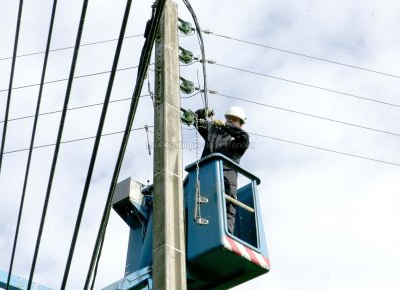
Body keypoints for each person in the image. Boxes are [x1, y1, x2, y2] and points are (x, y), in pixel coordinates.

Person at [195, 106, 250, 234]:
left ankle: (227, 235)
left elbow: (243, 137)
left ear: (240, 125)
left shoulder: (239, 141)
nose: (230, 121)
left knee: (227, 209)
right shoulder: (214, 133)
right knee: (202, 206)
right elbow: (197, 121)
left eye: (234, 120)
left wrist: (226, 127)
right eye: (228, 119)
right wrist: (203, 113)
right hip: (206, 177)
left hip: (226, 181)